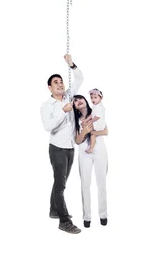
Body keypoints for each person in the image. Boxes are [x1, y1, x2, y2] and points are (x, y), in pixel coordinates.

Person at [40, 54, 83, 234]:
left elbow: (80, 77)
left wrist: (71, 64)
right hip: (57, 148)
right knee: (60, 185)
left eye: (61, 81)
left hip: (70, 147)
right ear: (50, 87)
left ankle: (53, 210)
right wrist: (64, 112)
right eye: (55, 82)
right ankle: (63, 221)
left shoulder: (69, 97)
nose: (60, 84)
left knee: (60, 182)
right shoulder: (47, 105)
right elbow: (48, 127)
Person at [73, 94, 109, 228]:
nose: (78, 101)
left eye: (80, 98)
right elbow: (77, 140)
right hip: (84, 153)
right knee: (85, 185)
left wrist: (92, 131)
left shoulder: (96, 112)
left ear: (86, 100)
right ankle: (87, 217)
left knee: (102, 183)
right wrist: (84, 132)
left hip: (99, 151)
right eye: (75, 101)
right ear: (74, 106)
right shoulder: (75, 120)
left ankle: (103, 215)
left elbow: (105, 131)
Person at [85, 88, 106, 154]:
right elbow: (92, 114)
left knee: (92, 134)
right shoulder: (95, 106)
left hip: (99, 124)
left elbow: (97, 117)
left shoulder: (100, 107)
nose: (93, 99)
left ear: (101, 98)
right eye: (91, 98)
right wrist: (87, 119)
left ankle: (91, 148)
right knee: (91, 134)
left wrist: (90, 121)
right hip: (96, 123)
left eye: (95, 97)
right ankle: (90, 145)